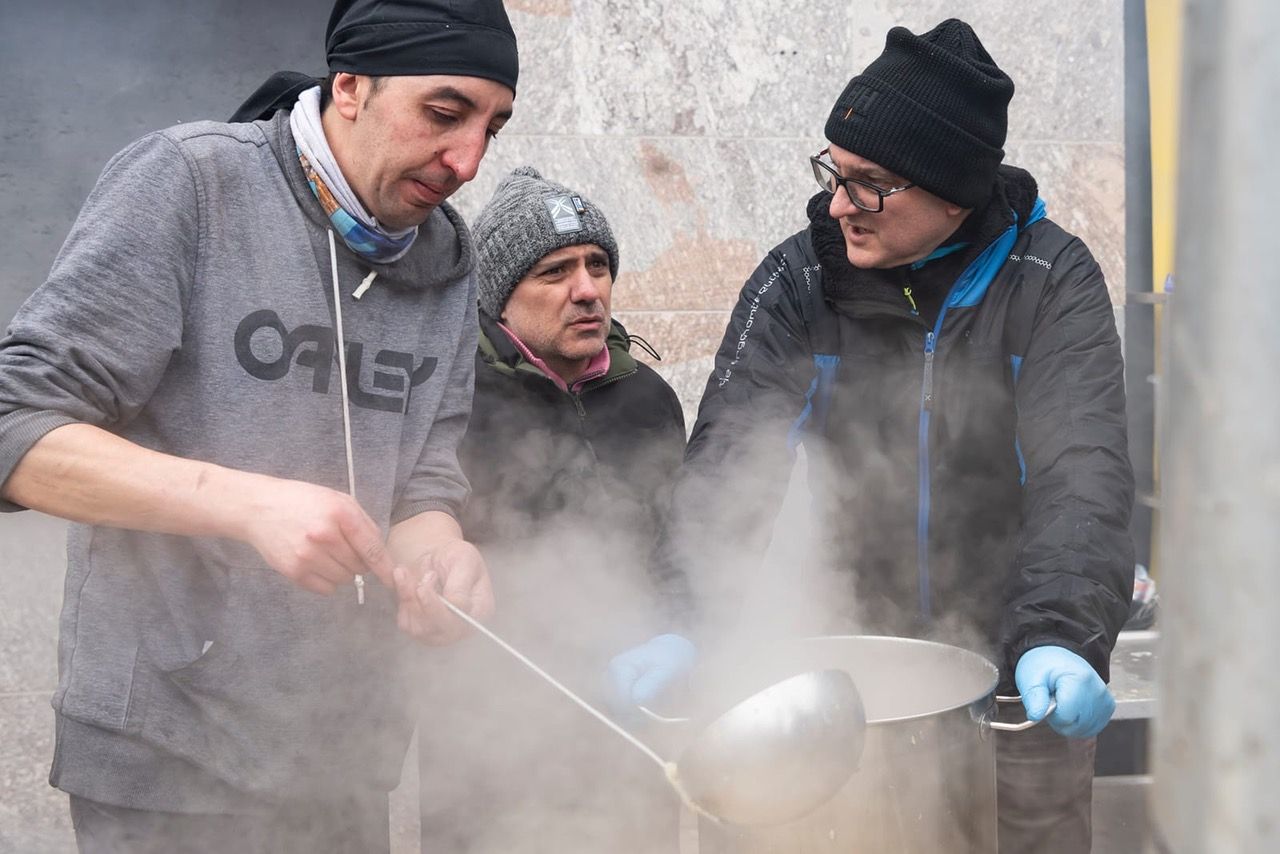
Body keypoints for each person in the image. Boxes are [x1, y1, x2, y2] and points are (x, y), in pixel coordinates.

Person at [0, 1, 518, 851]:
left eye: (492, 127)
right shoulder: (191, 183)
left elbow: (425, 479)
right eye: (444, 112)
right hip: (166, 756)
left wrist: (439, 554)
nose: (467, 160)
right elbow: (16, 421)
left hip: (346, 756)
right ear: (349, 86)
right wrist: (249, 507)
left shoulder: (447, 260)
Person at [610, 19, 1134, 853]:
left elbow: (1084, 471)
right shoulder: (798, 279)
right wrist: (682, 612)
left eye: (870, 184)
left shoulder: (1049, 280)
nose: (837, 204)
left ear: (953, 190)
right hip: (844, 686)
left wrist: (1059, 639)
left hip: (1014, 694)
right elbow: (730, 462)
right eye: (834, 173)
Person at [416, 166, 688, 852]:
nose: (587, 289)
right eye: (555, 271)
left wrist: (681, 638)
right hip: (493, 741)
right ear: (501, 297)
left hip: (635, 728)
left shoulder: (649, 398)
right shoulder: (452, 400)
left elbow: (680, 548)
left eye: (598, 265)